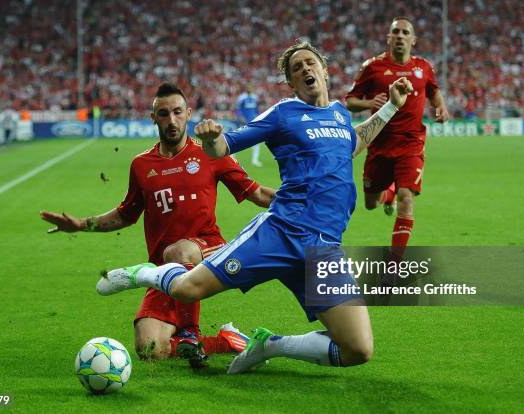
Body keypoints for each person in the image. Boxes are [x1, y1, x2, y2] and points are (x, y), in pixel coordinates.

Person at [96, 41, 413, 374]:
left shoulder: (338, 114)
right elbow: (223, 146)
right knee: (189, 289)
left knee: (358, 349)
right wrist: (211, 137)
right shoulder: (282, 114)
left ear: (324, 69)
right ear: (290, 83)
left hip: (324, 248)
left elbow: (353, 141)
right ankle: (139, 273)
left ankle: (270, 345)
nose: (305, 69)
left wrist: (391, 107)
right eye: (296, 68)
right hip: (281, 232)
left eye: (310, 63)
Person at [41, 82, 275, 366]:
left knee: (178, 252)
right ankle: (226, 340)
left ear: (189, 113)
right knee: (150, 349)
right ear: (154, 118)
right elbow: (125, 215)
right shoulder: (142, 165)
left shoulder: (211, 155)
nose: (172, 120)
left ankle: (190, 331)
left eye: (177, 112)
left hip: (209, 251)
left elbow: (258, 194)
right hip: (164, 271)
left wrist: (301, 201)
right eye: (164, 114)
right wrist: (80, 225)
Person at [345, 17, 450, 258]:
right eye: (396, 32)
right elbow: (350, 101)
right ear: (389, 38)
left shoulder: (423, 67)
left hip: (411, 143)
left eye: (405, 32)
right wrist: (369, 102)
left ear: (413, 40)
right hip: (378, 144)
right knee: (371, 203)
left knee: (407, 198)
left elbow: (433, 90)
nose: (400, 36)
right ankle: (388, 193)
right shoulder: (373, 67)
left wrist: (441, 107)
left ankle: (394, 264)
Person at [235, 84, 262, 167]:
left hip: (254, 122)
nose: (250, 89)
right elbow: (238, 109)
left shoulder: (255, 97)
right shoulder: (241, 98)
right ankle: (233, 159)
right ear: (246, 88)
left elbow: (256, 109)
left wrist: (258, 117)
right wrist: (240, 117)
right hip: (244, 122)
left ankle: (255, 160)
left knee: (257, 141)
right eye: (248, 87)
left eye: (251, 87)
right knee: (239, 140)